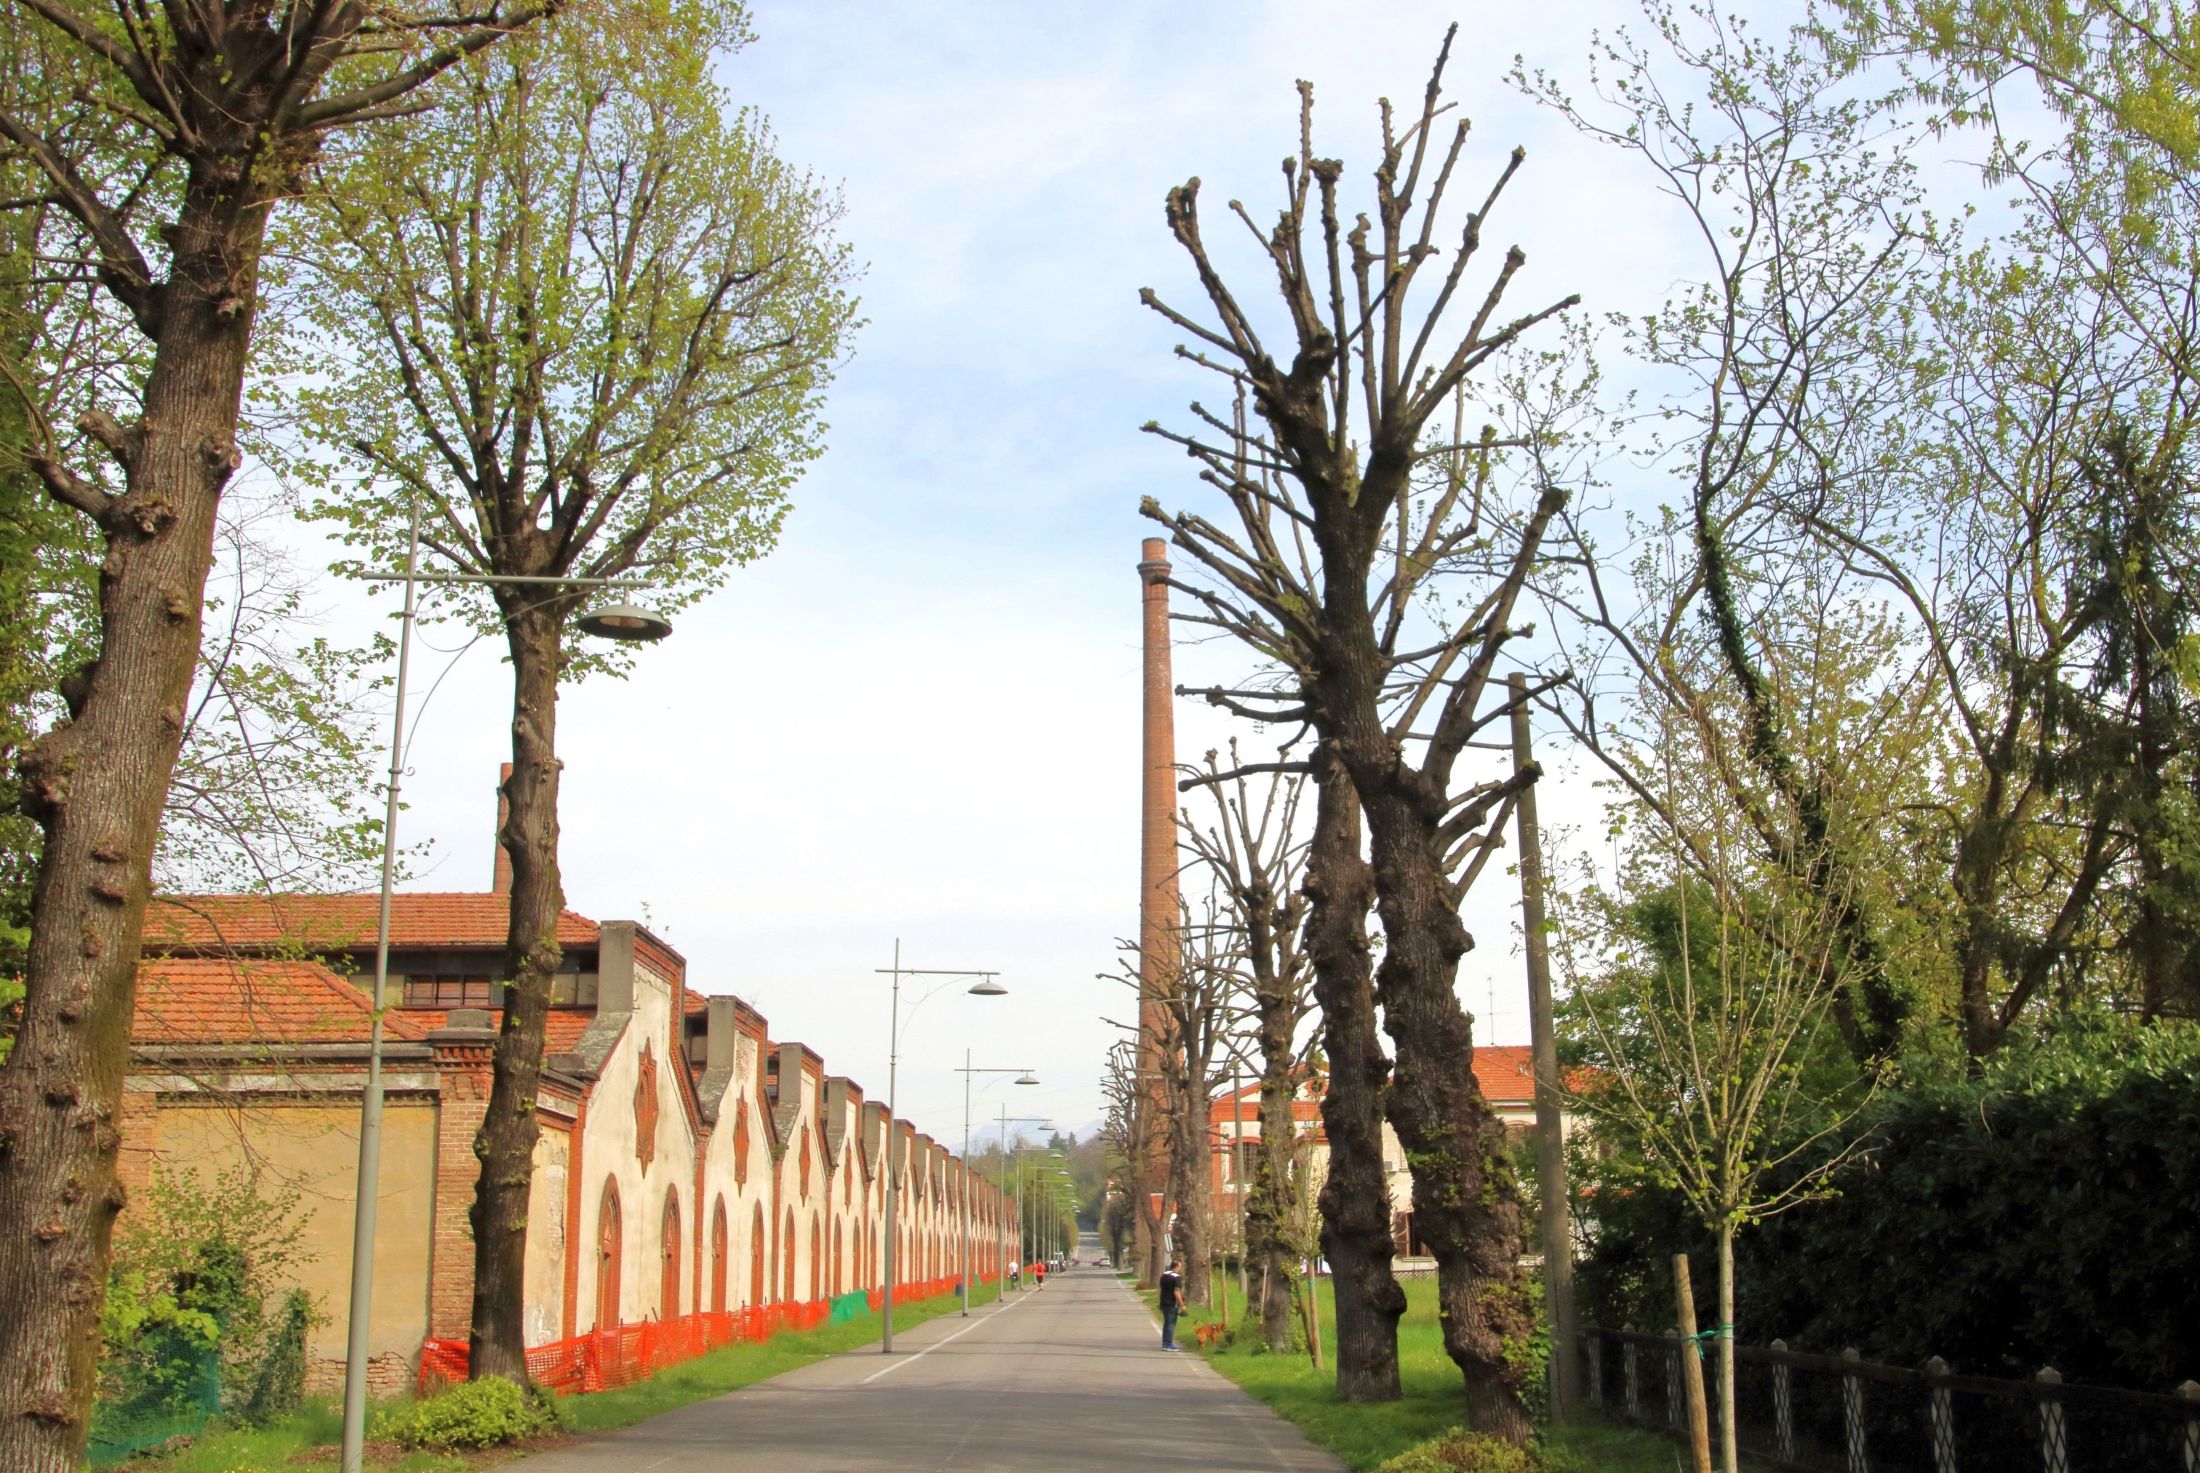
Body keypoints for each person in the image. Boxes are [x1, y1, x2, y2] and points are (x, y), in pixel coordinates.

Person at [1157, 1258, 1185, 1350]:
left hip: (1163, 1302)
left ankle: (1164, 1343)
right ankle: (1168, 1344)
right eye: (1180, 1266)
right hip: (1171, 1303)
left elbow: (1160, 1290)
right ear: (1177, 1266)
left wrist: (1159, 1302)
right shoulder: (1176, 1277)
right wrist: (1182, 1305)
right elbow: (1176, 1292)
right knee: (1171, 1324)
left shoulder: (1164, 1275)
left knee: (1166, 1323)